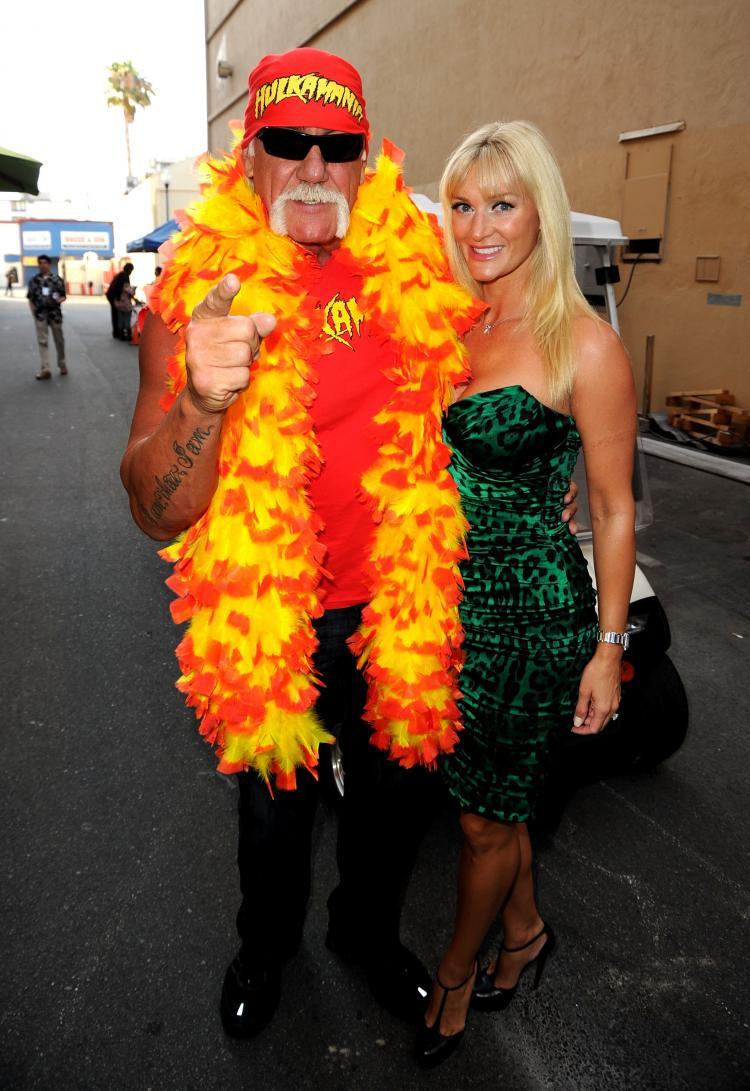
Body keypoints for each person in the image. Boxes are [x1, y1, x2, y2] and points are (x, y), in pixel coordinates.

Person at [120, 50, 578, 1042]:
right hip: (273, 620)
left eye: (341, 146)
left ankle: (364, 935)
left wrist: (556, 455)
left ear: (368, 164)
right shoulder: (197, 298)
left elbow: (515, 313)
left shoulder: (420, 261)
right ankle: (265, 946)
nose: (316, 165)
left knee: (393, 804)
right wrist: (202, 394)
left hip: (400, 602)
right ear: (251, 159)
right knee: (273, 816)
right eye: (291, 143)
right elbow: (155, 509)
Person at [414, 121, 636, 1068]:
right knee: (491, 804)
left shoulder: (583, 345)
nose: (478, 226)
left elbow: (617, 511)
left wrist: (609, 647)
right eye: (462, 205)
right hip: (443, 609)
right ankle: (528, 931)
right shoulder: (455, 323)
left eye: (501, 203)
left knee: (479, 819)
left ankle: (457, 970)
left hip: (530, 617)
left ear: (540, 208)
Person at [27, 255, 67, 379]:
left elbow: (63, 296)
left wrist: (57, 301)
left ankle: (62, 364)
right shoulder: (34, 280)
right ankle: (45, 369)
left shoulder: (57, 279)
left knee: (59, 341)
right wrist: (33, 312)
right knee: (42, 341)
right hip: (40, 315)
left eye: (45, 263)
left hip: (55, 315)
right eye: (40, 263)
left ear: (49, 265)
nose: (43, 265)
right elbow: (30, 298)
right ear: (38, 265)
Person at [106, 262, 134, 339]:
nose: (131, 272)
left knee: (118, 315)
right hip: (114, 296)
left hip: (114, 296)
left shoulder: (121, 274)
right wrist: (118, 299)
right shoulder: (125, 276)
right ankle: (118, 332)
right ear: (129, 269)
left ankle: (117, 332)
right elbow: (126, 288)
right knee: (117, 315)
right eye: (131, 270)